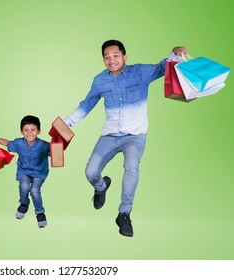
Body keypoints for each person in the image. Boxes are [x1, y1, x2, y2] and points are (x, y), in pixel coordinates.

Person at [63, 40, 187, 237]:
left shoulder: (140, 72)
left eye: (115, 55)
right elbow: (87, 104)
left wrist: (175, 53)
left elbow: (162, 68)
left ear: (124, 57)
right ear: (103, 59)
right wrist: (66, 124)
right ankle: (101, 187)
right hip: (109, 135)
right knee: (90, 171)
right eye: (106, 57)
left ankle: (124, 213)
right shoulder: (99, 81)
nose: (111, 60)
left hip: (135, 136)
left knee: (131, 167)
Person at [0, 115, 50, 228]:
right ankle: (24, 204)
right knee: (24, 187)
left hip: (39, 173)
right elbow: (7, 143)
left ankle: (40, 213)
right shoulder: (19, 143)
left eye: (33, 130)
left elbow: (57, 150)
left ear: (39, 131)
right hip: (24, 171)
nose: (29, 133)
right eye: (26, 130)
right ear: (21, 131)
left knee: (34, 191)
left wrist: (61, 143)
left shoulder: (44, 145)